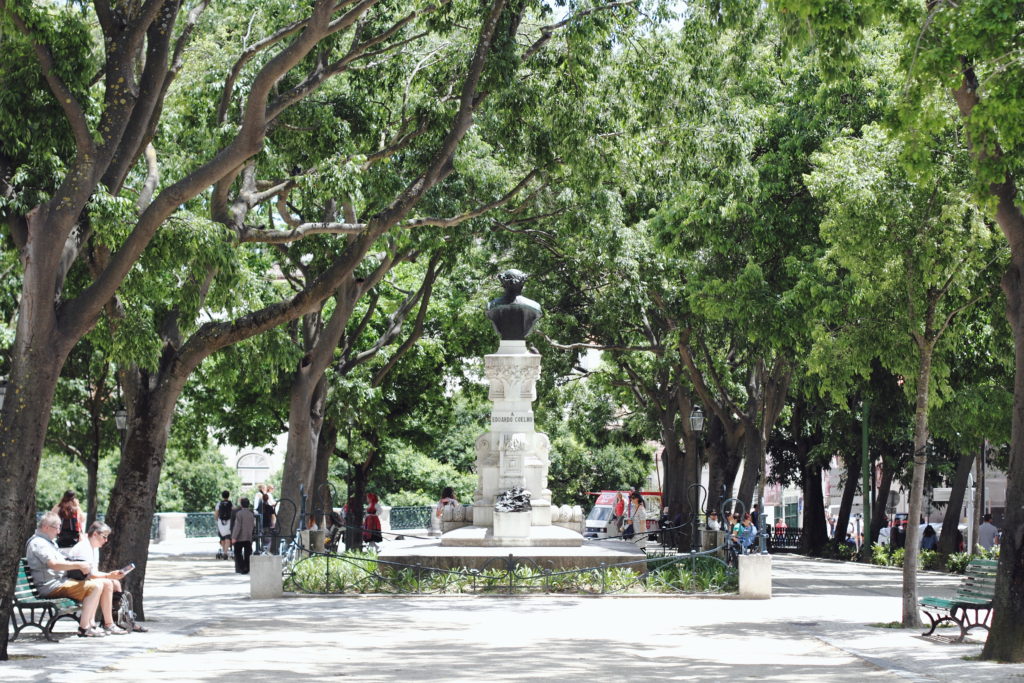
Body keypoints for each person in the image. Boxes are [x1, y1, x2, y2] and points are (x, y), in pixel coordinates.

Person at [26, 512, 126, 637]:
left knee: (98, 584)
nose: (58, 532)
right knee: (95, 586)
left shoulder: (49, 542)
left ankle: (91, 625)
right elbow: (53, 564)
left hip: (59, 582)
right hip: (50, 586)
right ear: (46, 527)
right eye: (57, 528)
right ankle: (84, 628)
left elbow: (61, 561)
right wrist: (78, 565)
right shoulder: (39, 543)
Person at [68, 521, 145, 633]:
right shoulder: (84, 547)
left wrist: (111, 576)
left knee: (115, 583)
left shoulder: (94, 548)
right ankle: (108, 623)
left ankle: (118, 618)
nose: (106, 540)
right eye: (104, 537)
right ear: (95, 534)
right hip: (76, 581)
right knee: (108, 582)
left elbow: (93, 572)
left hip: (83, 579)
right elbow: (89, 573)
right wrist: (109, 575)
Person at [231, 497, 256, 574]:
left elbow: (237, 526)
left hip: (240, 537)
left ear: (241, 504)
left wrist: (234, 537)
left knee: (238, 553)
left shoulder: (239, 513)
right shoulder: (251, 514)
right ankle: (247, 567)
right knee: (248, 553)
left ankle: (242, 567)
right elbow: (253, 525)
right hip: (248, 536)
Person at [215, 491, 233, 560]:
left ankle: (223, 551)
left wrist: (217, 520)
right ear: (228, 496)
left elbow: (216, 514)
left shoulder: (219, 504)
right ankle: (225, 553)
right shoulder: (231, 504)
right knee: (228, 538)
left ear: (222, 496)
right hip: (229, 521)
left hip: (221, 522)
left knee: (222, 538)